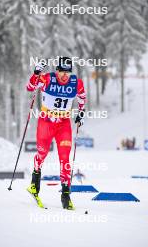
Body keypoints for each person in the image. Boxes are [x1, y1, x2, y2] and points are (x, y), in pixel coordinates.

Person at [26, 56, 86, 210]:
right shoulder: (47, 79)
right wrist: (36, 72)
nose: (65, 75)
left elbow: (82, 98)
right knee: (42, 153)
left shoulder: (76, 83)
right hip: (46, 122)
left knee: (65, 158)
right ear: (57, 71)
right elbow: (30, 87)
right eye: (62, 72)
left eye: (68, 72)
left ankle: (66, 195)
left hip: (64, 124)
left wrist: (81, 112)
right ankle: (34, 184)